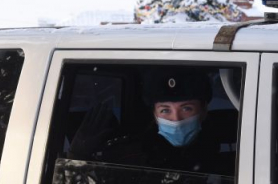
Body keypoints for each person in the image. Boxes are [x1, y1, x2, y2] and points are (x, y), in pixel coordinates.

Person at [68, 67, 237, 176]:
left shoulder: (236, 158)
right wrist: (78, 158)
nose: (176, 119)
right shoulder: (128, 159)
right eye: (165, 110)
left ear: (203, 111)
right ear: (155, 115)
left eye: (186, 109)